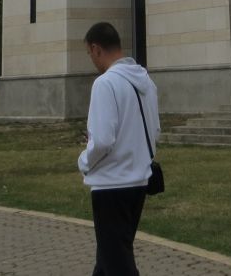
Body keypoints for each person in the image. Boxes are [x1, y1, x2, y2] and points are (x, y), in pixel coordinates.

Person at [77, 22, 159, 276]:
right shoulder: (146, 82)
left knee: (117, 263)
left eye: (90, 54)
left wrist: (84, 161)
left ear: (96, 48)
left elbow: (102, 140)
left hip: (111, 184)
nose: (92, 60)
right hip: (139, 181)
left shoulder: (105, 84)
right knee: (109, 259)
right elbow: (155, 131)